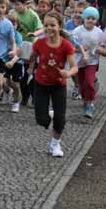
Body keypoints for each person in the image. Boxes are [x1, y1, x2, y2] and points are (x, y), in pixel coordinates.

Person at [28, 12, 77, 158]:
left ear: (60, 26)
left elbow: (75, 67)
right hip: (41, 83)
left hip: (58, 85)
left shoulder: (66, 45)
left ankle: (55, 144)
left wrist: (68, 73)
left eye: (53, 25)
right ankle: (49, 114)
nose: (49, 28)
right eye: (46, 25)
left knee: (60, 118)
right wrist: (30, 66)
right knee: (41, 120)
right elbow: (32, 56)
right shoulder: (39, 43)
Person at [11, 0, 42, 106]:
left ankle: (35, 98)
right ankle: (25, 96)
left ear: (26, 4)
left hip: (31, 46)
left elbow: (40, 29)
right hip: (19, 47)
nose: (15, 7)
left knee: (32, 73)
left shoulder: (33, 15)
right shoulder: (13, 14)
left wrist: (34, 33)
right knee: (22, 76)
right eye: (13, 4)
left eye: (18, 4)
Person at [72, 7, 104, 118]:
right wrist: (79, 50)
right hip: (79, 61)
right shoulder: (77, 31)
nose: (90, 20)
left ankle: (90, 103)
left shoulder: (99, 32)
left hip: (92, 61)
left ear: (96, 20)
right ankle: (86, 101)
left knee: (89, 82)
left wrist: (100, 49)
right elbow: (71, 47)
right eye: (88, 18)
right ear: (84, 18)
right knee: (81, 85)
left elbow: (102, 44)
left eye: (93, 19)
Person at [5, 9, 24, 113]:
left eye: (14, 23)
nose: (11, 26)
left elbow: (19, 52)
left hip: (17, 62)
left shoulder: (18, 36)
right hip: (5, 61)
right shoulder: (3, 34)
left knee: (16, 84)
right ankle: (8, 91)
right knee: (4, 82)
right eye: (9, 23)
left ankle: (16, 101)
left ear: (17, 25)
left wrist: (12, 61)